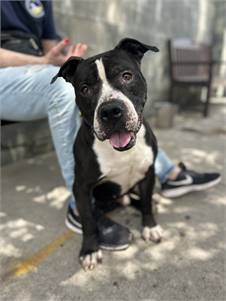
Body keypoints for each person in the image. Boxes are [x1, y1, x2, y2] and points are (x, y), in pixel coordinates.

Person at [0, 1, 221, 250]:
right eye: (87, 88)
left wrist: (55, 57)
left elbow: (51, 45)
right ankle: (80, 206)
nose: (111, 104)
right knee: (61, 88)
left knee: (143, 150)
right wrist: (42, 62)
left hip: (40, 64)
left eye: (125, 76)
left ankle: (166, 174)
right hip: (6, 73)